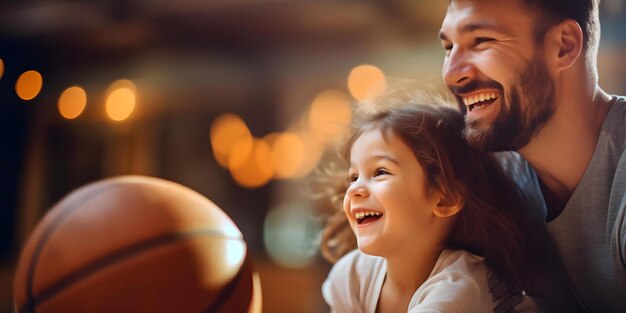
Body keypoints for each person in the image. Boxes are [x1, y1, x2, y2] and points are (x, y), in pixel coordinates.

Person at [439, 0, 626, 311]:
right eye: (448, 48)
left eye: (481, 40)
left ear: (563, 46)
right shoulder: (495, 181)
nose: (452, 74)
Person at [320, 98, 538, 313]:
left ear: (445, 199)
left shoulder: (460, 288)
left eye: (380, 172)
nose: (354, 189)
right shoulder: (352, 276)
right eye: (354, 176)